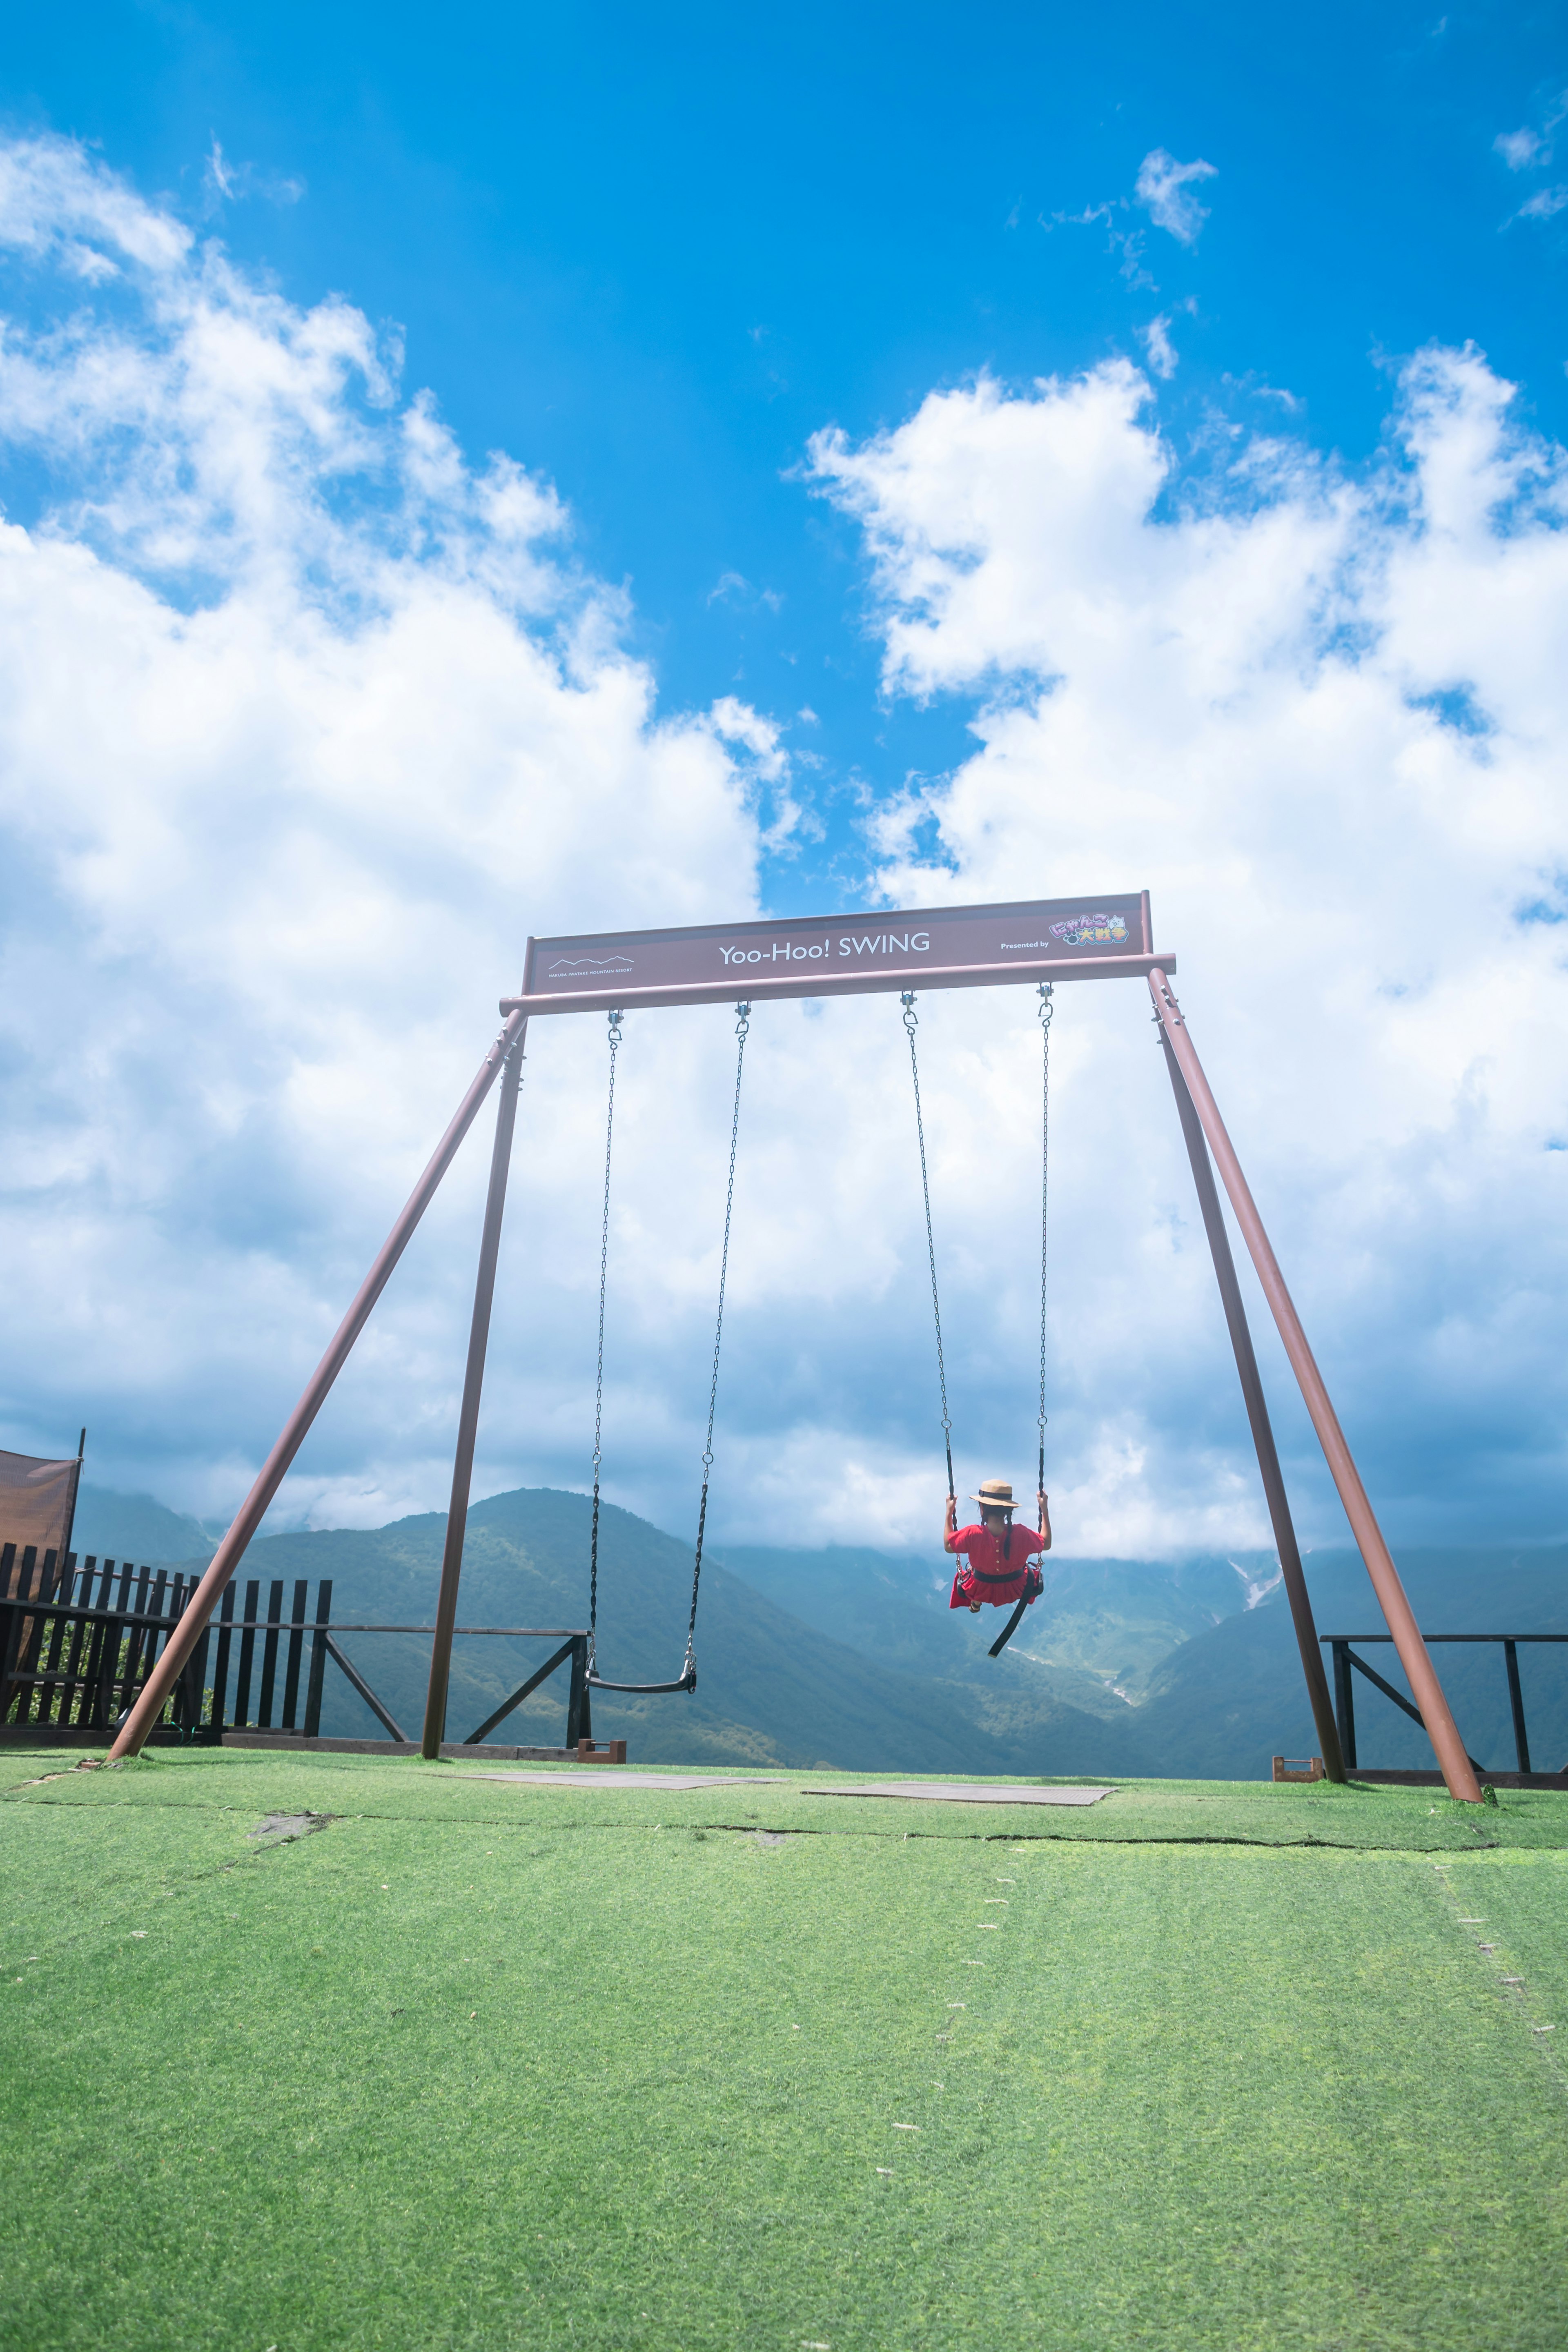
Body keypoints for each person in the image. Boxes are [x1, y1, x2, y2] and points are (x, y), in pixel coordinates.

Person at [944, 1479, 1051, 1615]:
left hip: (980, 1589)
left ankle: (977, 1600)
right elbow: (1046, 1544)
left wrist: (949, 1511)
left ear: (982, 1509)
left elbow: (948, 1546)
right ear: (1009, 1511)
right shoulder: (1021, 1533)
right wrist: (1044, 1509)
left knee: (972, 1570)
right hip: (1015, 1589)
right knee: (1026, 1570)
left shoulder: (973, 1533)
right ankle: (978, 1598)